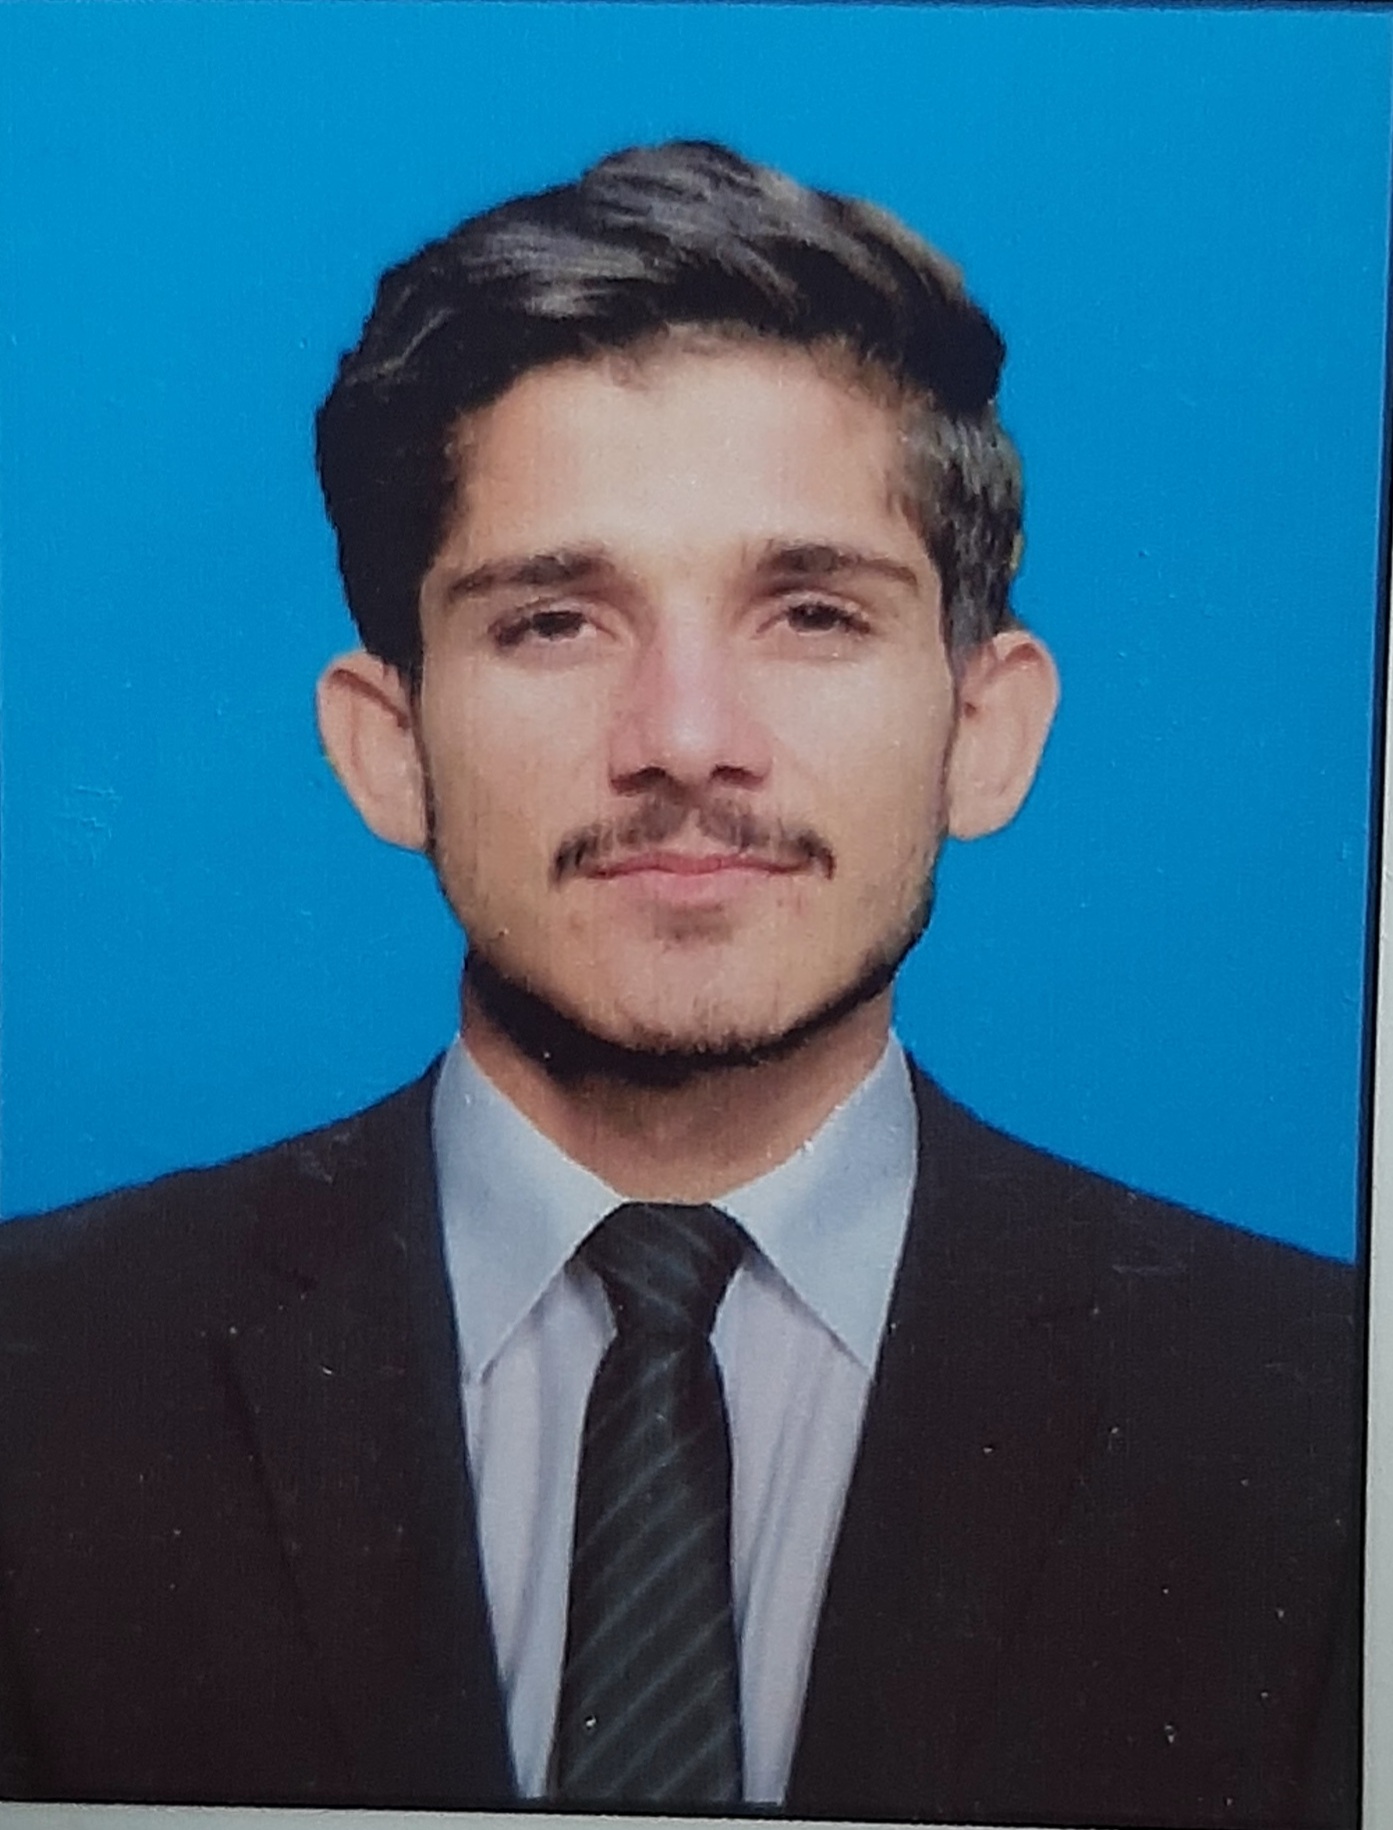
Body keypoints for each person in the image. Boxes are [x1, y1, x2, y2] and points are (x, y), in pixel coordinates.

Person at [0, 142, 1359, 1827]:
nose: (686, 740)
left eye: (811, 612)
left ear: (983, 729)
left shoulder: (1322, 1421)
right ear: (386, 744)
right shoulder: (38, 1378)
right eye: (553, 621)